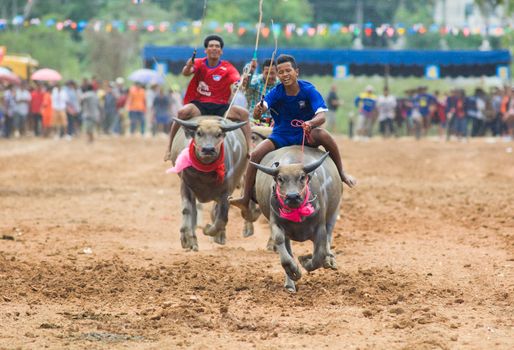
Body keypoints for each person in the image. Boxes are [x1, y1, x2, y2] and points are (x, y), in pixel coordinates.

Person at [230, 54, 355, 220]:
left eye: (288, 70)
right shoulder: (276, 91)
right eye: (280, 72)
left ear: (297, 72)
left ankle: (341, 173)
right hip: (281, 135)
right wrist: (258, 110)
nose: (284, 74)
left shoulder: (308, 90)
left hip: (306, 133)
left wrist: (311, 123)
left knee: (325, 136)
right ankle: (245, 198)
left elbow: (322, 116)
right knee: (255, 155)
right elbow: (261, 109)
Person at [164, 34, 251, 161]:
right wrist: (188, 66)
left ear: (221, 51)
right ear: (206, 50)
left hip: (221, 106)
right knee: (182, 112)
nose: (214, 48)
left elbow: (237, 81)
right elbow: (186, 72)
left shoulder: (227, 67)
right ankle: (169, 147)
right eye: (211, 46)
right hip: (200, 104)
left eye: (217, 46)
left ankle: (249, 147)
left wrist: (243, 81)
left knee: (243, 114)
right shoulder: (199, 63)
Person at [244, 58, 279, 125]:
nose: (270, 76)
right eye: (267, 73)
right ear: (262, 72)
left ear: (277, 72)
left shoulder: (280, 85)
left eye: (272, 73)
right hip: (254, 120)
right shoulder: (256, 81)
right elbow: (246, 86)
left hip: (273, 122)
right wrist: (251, 71)